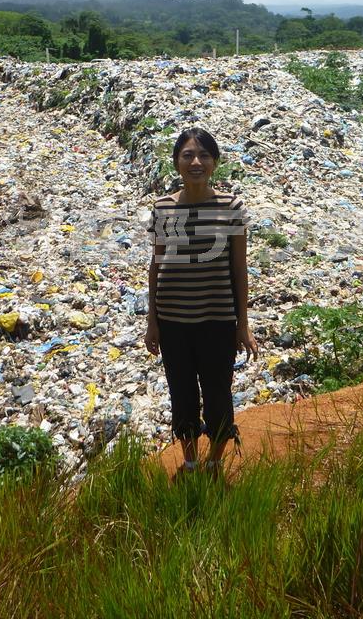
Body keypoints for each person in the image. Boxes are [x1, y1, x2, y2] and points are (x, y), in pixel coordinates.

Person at [145, 128, 258, 477]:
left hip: (217, 321)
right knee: (181, 395)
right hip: (174, 322)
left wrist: (243, 324)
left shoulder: (230, 207)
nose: (196, 162)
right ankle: (191, 460)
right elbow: (156, 264)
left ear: (215, 162)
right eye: (188, 155)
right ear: (177, 162)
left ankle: (214, 461)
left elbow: (239, 268)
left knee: (218, 394)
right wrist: (152, 321)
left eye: (204, 155)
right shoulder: (163, 208)